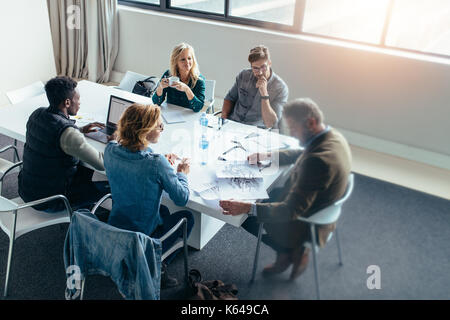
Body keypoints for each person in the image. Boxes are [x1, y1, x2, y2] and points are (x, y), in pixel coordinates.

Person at [219, 98, 352, 280]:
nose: (293, 135)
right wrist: (268, 155)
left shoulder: (317, 162)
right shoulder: (331, 137)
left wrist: (247, 208)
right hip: (322, 202)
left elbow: (291, 209)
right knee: (266, 194)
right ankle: (288, 251)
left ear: (311, 123)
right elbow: (303, 152)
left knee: (243, 217)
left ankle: (289, 251)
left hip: (304, 219)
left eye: (294, 129)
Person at [104, 103, 194, 289]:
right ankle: (154, 264)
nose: (162, 129)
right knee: (187, 217)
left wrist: (159, 160)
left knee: (163, 210)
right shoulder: (156, 164)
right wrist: (182, 173)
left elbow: (134, 156)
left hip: (116, 226)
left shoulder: (110, 149)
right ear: (144, 131)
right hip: (141, 233)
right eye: (159, 126)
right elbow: (182, 197)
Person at [18, 76, 110, 212]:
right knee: (111, 187)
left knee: (84, 166)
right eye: (78, 99)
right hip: (53, 200)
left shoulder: (36, 114)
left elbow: (52, 135)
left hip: (27, 191)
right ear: (67, 102)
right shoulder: (67, 134)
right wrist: (113, 141)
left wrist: (80, 130)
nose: (79, 103)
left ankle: (83, 207)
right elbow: (102, 164)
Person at [221, 45, 288, 129]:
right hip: (233, 123)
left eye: (263, 67)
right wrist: (223, 119)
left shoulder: (280, 88)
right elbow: (229, 99)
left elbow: (271, 123)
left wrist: (264, 94)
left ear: (269, 63)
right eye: (255, 68)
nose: (259, 72)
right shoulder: (244, 75)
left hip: (255, 131)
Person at [152, 43, 205, 112]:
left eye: (189, 58)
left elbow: (198, 108)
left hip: (188, 116)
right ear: (176, 62)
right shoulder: (169, 75)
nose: (187, 62)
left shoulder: (199, 80)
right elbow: (156, 103)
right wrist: (160, 88)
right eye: (183, 59)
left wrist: (187, 89)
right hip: (170, 114)